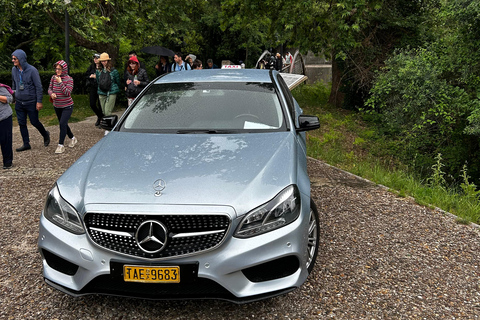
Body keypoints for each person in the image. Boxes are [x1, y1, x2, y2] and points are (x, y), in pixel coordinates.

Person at [11, 49, 50, 152]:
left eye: (15, 58)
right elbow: (14, 84)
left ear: (21, 59)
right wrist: (14, 97)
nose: (13, 60)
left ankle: (45, 134)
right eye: (12, 58)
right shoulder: (14, 70)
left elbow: (38, 87)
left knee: (34, 121)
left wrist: (39, 101)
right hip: (19, 102)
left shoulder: (32, 70)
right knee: (21, 123)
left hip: (31, 102)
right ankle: (26, 143)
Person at [48, 60, 77, 154]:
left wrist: (60, 82)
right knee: (63, 124)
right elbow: (49, 88)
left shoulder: (69, 79)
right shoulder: (53, 77)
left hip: (67, 106)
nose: (57, 71)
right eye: (56, 69)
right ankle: (73, 138)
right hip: (57, 105)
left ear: (64, 69)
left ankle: (60, 145)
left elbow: (67, 93)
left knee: (62, 123)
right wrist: (51, 94)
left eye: (59, 69)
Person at [96, 52, 121, 117]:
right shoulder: (98, 71)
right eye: (102, 61)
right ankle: (109, 124)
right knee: (104, 111)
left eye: (105, 61)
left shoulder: (114, 71)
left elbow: (117, 81)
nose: (103, 62)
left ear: (108, 61)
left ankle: (111, 125)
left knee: (107, 112)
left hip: (111, 91)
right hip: (101, 92)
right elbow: (98, 81)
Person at [85, 53, 103, 127]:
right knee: (92, 104)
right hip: (93, 87)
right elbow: (86, 75)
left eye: (97, 58)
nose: (95, 59)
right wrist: (91, 76)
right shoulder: (92, 67)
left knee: (100, 104)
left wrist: (97, 77)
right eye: (94, 58)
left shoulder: (102, 68)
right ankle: (100, 116)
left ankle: (101, 119)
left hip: (100, 87)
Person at [0, 83, 13, 169]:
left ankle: (8, 161)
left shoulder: (1, 88)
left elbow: (10, 99)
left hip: (4, 116)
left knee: (5, 140)